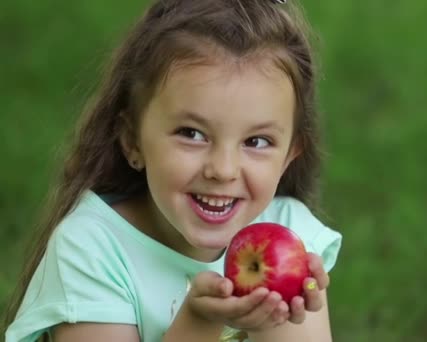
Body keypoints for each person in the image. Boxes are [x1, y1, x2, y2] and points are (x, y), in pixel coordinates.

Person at [2, 0, 342, 341]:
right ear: (133, 141)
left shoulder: (290, 232)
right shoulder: (93, 250)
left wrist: (274, 313)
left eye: (256, 141)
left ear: (289, 156)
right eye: (191, 134)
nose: (223, 170)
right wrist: (199, 321)